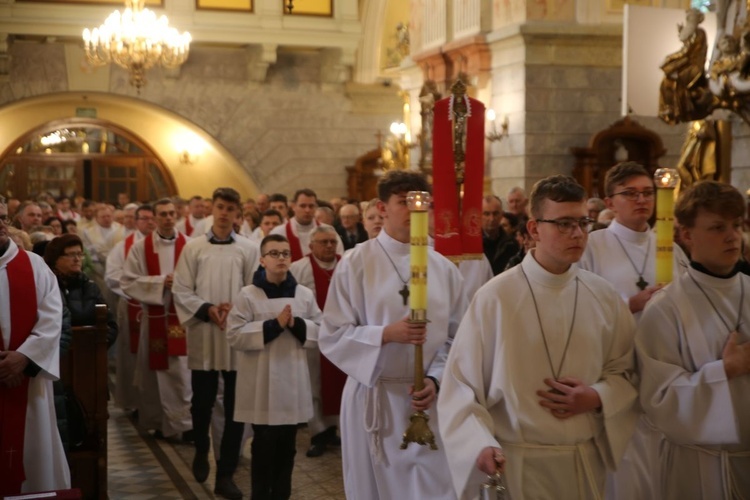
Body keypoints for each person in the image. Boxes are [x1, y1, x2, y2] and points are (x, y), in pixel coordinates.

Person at [438, 175, 639, 500]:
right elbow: (461, 387)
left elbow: (627, 372)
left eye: (582, 223)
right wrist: (480, 444)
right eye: (563, 224)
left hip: (583, 462)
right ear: (533, 229)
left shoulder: (603, 295)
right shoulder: (496, 298)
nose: (576, 233)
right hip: (518, 465)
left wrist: (598, 396)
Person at [319, 170, 468, 499]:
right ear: (382, 208)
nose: (415, 211)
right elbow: (332, 334)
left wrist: (437, 379)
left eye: (422, 203)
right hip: (376, 397)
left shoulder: (443, 269)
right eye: (404, 203)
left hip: (427, 401)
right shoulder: (356, 263)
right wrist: (385, 334)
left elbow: (458, 338)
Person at [636, 181, 750, 499]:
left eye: (737, 225)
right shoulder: (666, 307)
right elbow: (656, 401)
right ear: (686, 235)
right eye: (717, 227)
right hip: (699, 468)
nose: (732, 236)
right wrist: (724, 371)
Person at [173, 187, 260, 500]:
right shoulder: (193, 247)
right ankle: (200, 449)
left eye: (229, 209)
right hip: (205, 332)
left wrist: (236, 309)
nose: (224, 214)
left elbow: (254, 289)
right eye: (219, 207)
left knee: (237, 408)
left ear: (237, 213)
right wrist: (208, 309)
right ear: (213, 210)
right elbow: (182, 289)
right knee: (202, 402)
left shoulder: (249, 249)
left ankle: (226, 472)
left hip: (235, 333)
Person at [227, 234, 321, 500]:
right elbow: (234, 334)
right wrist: (273, 325)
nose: (281, 258)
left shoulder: (304, 294)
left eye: (286, 253)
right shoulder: (248, 294)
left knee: (287, 447)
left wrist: (296, 325)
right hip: (261, 383)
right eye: (274, 253)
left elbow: (321, 330)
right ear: (262, 260)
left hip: (293, 379)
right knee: (264, 446)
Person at [0, 201, 71, 495]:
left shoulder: (34, 265)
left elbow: (53, 319)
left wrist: (24, 359)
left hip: (28, 385)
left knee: (32, 457)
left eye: (2, 218)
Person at [121, 199, 193, 439]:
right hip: (154, 320)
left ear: (178, 215)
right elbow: (128, 282)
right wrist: (162, 282)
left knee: (182, 375)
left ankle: (184, 425)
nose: (168, 218)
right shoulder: (140, 248)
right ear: (154, 217)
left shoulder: (191, 246)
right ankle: (159, 422)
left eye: (172, 213)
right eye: (162, 214)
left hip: (183, 320)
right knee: (154, 375)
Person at [289, 225, 345, 457]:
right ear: (311, 246)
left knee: (341, 383)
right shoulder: (299, 268)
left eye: (332, 241)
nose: (329, 246)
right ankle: (319, 433)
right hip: (313, 336)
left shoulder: (347, 265)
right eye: (323, 242)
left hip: (344, 336)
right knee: (314, 384)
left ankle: (338, 430)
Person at [106, 204, 155, 413]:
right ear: (136, 221)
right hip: (132, 305)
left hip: (161, 309)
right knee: (132, 357)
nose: (149, 222)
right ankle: (135, 402)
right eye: (144, 218)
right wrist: (141, 290)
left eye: (152, 218)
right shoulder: (122, 247)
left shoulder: (166, 245)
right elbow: (112, 276)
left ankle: (156, 404)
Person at [44, 234, 118, 347]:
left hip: (88, 353)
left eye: (79, 254)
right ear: (56, 259)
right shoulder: (46, 285)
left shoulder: (90, 287)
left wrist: (100, 345)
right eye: (71, 254)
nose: (77, 259)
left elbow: (110, 325)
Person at [270, 188, 344, 261]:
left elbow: (339, 259)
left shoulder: (329, 231)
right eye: (303, 206)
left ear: (316, 207)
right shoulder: (278, 233)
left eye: (311, 206)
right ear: (294, 207)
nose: (307, 210)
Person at [482, 195, 520, 275]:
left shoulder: (511, 244)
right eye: (486, 214)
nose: (491, 219)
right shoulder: (472, 246)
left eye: (495, 213)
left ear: (502, 215)